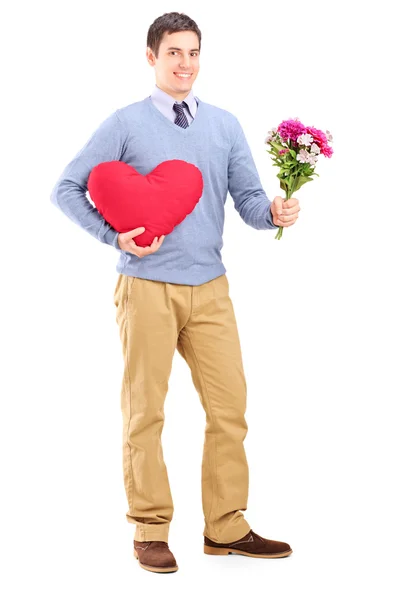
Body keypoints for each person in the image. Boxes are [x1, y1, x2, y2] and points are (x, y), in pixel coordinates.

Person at [50, 11, 300, 574]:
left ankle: (226, 527)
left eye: (192, 53)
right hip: (146, 290)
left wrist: (276, 213)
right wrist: (112, 234)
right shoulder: (125, 123)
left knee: (230, 407)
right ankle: (150, 528)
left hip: (210, 287)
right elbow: (65, 188)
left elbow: (251, 203)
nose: (184, 64)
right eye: (173, 54)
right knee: (146, 412)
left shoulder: (225, 125)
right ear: (151, 57)